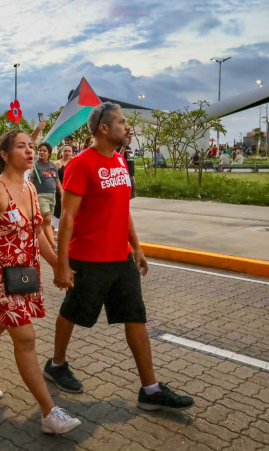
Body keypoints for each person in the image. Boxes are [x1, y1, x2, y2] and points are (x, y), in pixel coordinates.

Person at [45, 102, 193, 411]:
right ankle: (56, 365)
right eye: (121, 122)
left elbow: (123, 209)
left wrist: (136, 247)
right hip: (88, 258)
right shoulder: (81, 164)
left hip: (120, 257)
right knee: (73, 313)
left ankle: (150, 390)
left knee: (135, 317)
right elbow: (68, 217)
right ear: (103, 128)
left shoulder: (120, 162)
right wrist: (62, 264)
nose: (127, 127)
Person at [0, 130, 81, 434]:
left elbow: (36, 233)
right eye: (22, 146)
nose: (30, 151)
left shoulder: (30, 188)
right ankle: (49, 412)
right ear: (4, 154)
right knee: (25, 338)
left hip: (23, 275)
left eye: (32, 146)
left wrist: (58, 265)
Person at [31, 142, 61, 250]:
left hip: (52, 195)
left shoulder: (52, 165)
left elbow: (57, 181)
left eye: (44, 151)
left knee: (46, 221)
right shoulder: (35, 165)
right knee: (47, 219)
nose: (41, 152)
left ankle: (44, 243)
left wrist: (62, 193)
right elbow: (30, 180)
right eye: (40, 150)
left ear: (49, 153)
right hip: (41, 195)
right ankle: (52, 244)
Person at [53, 144, 73, 221]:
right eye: (65, 151)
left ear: (72, 152)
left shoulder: (75, 161)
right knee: (59, 214)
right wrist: (60, 190)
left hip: (71, 191)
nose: (67, 153)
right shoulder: (57, 163)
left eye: (69, 151)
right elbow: (54, 178)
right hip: (60, 190)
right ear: (61, 152)